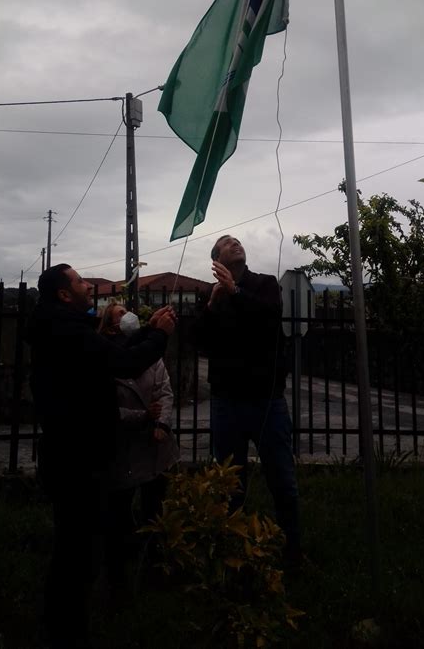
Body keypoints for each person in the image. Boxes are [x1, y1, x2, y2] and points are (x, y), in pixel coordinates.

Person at [26, 264, 175, 649]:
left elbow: (111, 352)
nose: (88, 285)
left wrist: (147, 330)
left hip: (71, 455)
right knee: (77, 553)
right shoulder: (67, 331)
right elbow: (124, 363)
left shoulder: (60, 326)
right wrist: (160, 336)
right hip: (77, 460)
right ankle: (65, 632)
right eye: (79, 281)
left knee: (75, 547)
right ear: (64, 294)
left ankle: (63, 624)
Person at [196, 235, 300, 563]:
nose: (236, 244)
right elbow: (200, 343)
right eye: (227, 243)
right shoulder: (211, 296)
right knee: (229, 484)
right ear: (217, 260)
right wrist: (212, 306)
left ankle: (292, 551)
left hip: (266, 400)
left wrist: (235, 292)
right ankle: (229, 552)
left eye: (238, 241)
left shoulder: (264, 284)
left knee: (281, 478)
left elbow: (268, 318)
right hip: (226, 401)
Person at [98, 303, 180, 572]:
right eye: (119, 314)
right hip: (124, 450)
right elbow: (107, 410)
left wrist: (162, 424)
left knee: (155, 507)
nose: (126, 316)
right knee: (120, 510)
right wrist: (143, 417)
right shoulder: (107, 356)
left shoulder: (147, 351)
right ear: (110, 325)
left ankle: (154, 558)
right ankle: (120, 565)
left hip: (156, 447)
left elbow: (165, 392)